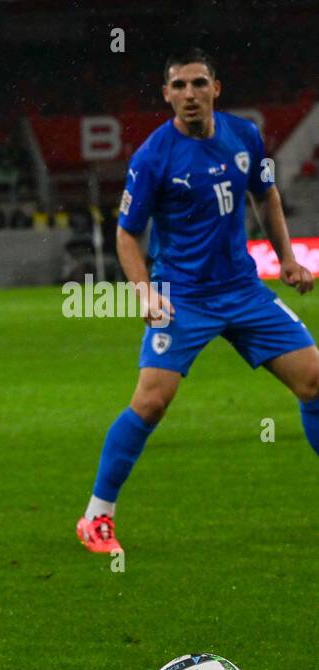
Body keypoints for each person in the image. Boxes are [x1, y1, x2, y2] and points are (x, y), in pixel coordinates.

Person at [77, 49, 316, 554]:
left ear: (216, 89)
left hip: (244, 290)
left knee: (315, 380)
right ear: (166, 94)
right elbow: (126, 236)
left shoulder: (245, 137)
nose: (190, 94)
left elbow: (266, 195)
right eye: (179, 86)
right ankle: (96, 517)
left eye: (199, 84)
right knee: (151, 401)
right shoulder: (153, 157)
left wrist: (288, 259)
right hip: (181, 296)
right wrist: (145, 293)